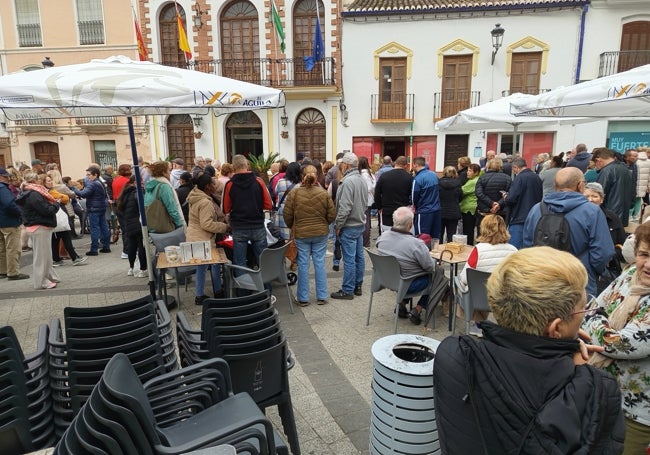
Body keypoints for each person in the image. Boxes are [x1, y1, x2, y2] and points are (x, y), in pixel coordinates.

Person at [434, 246, 625, 454]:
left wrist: (563, 347)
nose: (585, 314)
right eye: (584, 308)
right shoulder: (599, 392)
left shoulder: (453, 356)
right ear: (556, 327)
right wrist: (579, 369)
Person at [582, 222, 650, 454]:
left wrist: (598, 321)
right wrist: (599, 320)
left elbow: (618, 344)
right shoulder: (630, 274)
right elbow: (589, 309)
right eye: (644, 254)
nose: (648, 264)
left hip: (637, 413)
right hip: (600, 394)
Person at [523, 167, 615, 296]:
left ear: (555, 185)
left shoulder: (537, 209)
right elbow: (603, 251)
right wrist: (591, 270)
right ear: (580, 185)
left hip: (543, 277)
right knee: (577, 314)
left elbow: (528, 245)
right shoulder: (592, 211)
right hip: (579, 278)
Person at [456, 214, 518, 336]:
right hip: (504, 299)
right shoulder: (514, 251)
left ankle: (478, 323)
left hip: (480, 298)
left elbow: (465, 278)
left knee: (462, 283)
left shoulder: (478, 249)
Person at [283, 165, 335, 306]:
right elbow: (331, 215)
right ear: (316, 177)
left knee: (303, 264)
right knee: (319, 263)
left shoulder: (294, 194)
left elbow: (287, 214)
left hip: (302, 233)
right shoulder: (323, 193)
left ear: (302, 176)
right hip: (320, 233)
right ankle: (322, 296)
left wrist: (293, 226)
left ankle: (303, 298)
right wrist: (324, 223)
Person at [376, 206, 436, 325]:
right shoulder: (416, 244)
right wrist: (435, 262)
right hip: (407, 283)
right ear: (410, 224)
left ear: (394, 221)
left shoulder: (382, 238)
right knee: (437, 275)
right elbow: (430, 267)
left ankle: (402, 304)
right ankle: (418, 309)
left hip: (386, 279)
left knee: (406, 270)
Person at [222, 154, 272, 269]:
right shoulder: (258, 181)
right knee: (263, 260)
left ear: (233, 167)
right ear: (247, 165)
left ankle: (243, 286)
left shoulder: (229, 184)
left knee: (240, 262)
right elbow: (269, 205)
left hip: (239, 227)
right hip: (257, 225)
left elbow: (225, 209)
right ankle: (265, 286)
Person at [187, 174, 228, 304]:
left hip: (195, 236)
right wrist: (224, 227)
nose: (215, 185)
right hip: (203, 238)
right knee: (214, 264)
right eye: (213, 183)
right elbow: (206, 224)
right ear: (207, 187)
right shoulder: (205, 202)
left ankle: (201, 294)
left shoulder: (195, 196)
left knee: (202, 267)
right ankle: (217, 292)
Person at [331, 152, 367, 300]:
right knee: (359, 256)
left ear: (345, 165)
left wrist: (338, 225)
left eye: (341, 165)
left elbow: (344, 208)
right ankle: (358, 285)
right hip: (359, 223)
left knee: (350, 259)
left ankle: (347, 290)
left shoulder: (347, 182)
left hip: (350, 225)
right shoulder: (361, 179)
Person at [15, 171, 60, 289]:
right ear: (35, 181)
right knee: (41, 257)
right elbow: (46, 210)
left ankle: (50, 276)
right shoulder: (34, 194)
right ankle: (41, 282)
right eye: (39, 179)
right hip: (39, 225)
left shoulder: (28, 192)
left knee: (46, 255)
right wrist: (56, 204)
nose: (41, 181)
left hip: (38, 225)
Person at [44, 174, 87, 267]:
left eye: (51, 180)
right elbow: (65, 198)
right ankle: (74, 257)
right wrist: (61, 198)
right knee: (65, 237)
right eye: (48, 181)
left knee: (55, 239)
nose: (51, 182)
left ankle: (56, 259)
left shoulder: (50, 191)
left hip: (55, 217)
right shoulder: (50, 192)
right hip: (57, 217)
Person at [499, 157, 542, 249]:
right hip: (534, 216)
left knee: (515, 248)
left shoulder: (520, 178)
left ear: (516, 167)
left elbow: (511, 198)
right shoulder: (536, 177)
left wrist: (506, 197)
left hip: (519, 217)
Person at [72, 166, 111, 256]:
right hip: (101, 207)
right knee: (104, 227)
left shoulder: (93, 184)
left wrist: (74, 189)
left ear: (95, 175)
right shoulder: (100, 182)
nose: (87, 177)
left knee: (95, 229)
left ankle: (94, 249)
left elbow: (84, 194)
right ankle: (106, 247)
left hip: (94, 208)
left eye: (89, 175)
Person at [593, 147, 635, 226]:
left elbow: (598, 195)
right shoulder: (626, 170)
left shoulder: (606, 171)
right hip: (623, 216)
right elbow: (633, 193)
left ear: (598, 160)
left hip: (608, 216)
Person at [116, 175, 147, 278]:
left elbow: (120, 211)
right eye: (141, 183)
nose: (143, 185)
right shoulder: (137, 193)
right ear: (135, 183)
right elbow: (142, 208)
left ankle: (131, 268)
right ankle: (143, 269)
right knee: (141, 246)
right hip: (138, 224)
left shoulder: (123, 194)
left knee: (132, 247)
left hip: (128, 224)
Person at [0, 167, 28, 281]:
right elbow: (9, 204)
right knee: (12, 248)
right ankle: (13, 272)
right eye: (5, 176)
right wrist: (20, 213)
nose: (8, 178)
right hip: (9, 222)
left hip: (1, 222)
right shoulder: (2, 188)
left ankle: (3, 270)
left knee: (1, 248)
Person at [143, 161, 185, 233]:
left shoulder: (149, 186)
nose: (170, 173)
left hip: (153, 226)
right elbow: (172, 208)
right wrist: (180, 224)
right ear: (163, 172)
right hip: (166, 227)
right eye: (168, 170)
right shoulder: (164, 186)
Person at [375, 156, 412, 234]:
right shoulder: (409, 177)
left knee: (386, 233)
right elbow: (412, 194)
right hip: (403, 211)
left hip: (387, 209)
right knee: (402, 234)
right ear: (405, 165)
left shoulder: (384, 176)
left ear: (395, 163)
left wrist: (379, 207)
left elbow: (377, 192)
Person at [475, 156, 511, 235]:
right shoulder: (507, 178)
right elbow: (509, 194)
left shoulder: (482, 177)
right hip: (500, 212)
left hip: (484, 211)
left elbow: (479, 193)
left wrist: (491, 203)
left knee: (483, 234)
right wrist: (498, 204)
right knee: (498, 234)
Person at [411, 156, 441, 239]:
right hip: (436, 210)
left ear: (415, 165)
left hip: (423, 211)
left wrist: (414, 206)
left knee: (422, 237)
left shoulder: (417, 179)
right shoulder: (434, 175)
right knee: (435, 237)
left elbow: (414, 197)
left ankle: (423, 252)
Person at [275, 162, 302, 241]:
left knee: (284, 239)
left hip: (283, 212)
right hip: (295, 213)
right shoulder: (300, 185)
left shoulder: (280, 181)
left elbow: (276, 191)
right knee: (295, 238)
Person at [111, 164, 132, 258]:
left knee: (124, 229)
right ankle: (127, 250)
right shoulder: (127, 181)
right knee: (128, 229)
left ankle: (126, 250)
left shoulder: (115, 180)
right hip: (124, 205)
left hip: (116, 205)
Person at [438, 166, 462, 243]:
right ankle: (450, 251)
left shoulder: (439, 182)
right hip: (453, 211)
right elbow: (460, 197)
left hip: (440, 211)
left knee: (439, 233)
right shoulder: (458, 183)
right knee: (451, 234)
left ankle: (439, 250)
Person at [459, 163, 480, 245]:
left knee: (468, 231)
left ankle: (469, 247)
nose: (467, 172)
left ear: (476, 172)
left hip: (468, 209)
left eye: (470, 171)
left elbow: (461, 191)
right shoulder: (476, 179)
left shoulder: (472, 182)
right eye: (468, 170)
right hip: (473, 207)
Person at [358, 156, 375, 248]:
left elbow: (368, 188)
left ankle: (365, 242)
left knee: (365, 222)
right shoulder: (369, 174)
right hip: (368, 200)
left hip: (363, 201)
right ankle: (365, 241)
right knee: (366, 221)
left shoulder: (362, 174)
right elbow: (373, 186)